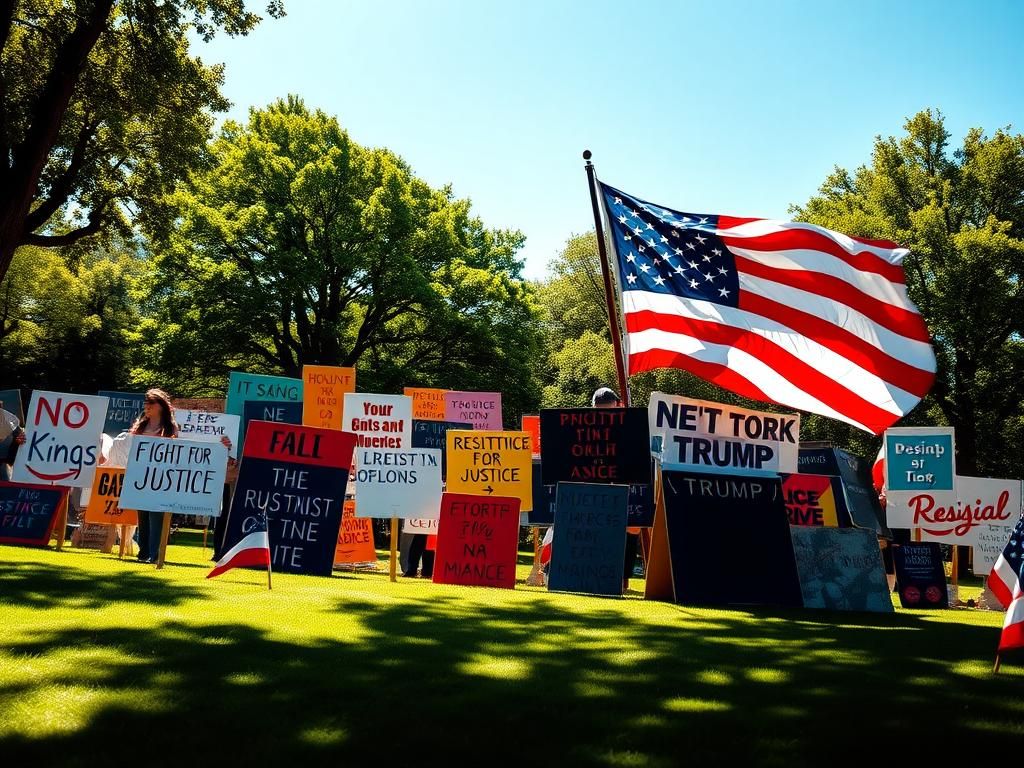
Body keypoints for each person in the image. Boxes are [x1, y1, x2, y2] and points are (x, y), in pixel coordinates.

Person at [590, 387, 643, 592]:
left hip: (624, 482)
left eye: (609, 409)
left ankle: (623, 579)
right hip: (594, 485)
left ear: (618, 406)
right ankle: (594, 574)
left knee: (632, 526)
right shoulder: (582, 428)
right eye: (600, 410)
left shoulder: (630, 427)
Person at [125, 389, 180, 563]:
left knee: (156, 516)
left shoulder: (170, 428)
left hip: (161, 478)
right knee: (142, 516)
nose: (146, 407)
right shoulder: (140, 426)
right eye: (146, 403)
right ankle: (143, 552)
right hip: (141, 477)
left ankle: (155, 553)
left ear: (161, 406)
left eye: (151, 403)